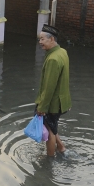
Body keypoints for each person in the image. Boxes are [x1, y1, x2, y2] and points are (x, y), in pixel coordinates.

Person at [35, 24, 72, 157]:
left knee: (49, 132)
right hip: (62, 100)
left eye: (43, 39)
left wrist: (42, 107)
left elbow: (49, 87)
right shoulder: (62, 52)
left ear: (52, 39)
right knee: (52, 126)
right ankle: (61, 147)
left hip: (53, 104)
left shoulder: (53, 59)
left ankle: (49, 160)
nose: (40, 42)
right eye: (39, 39)